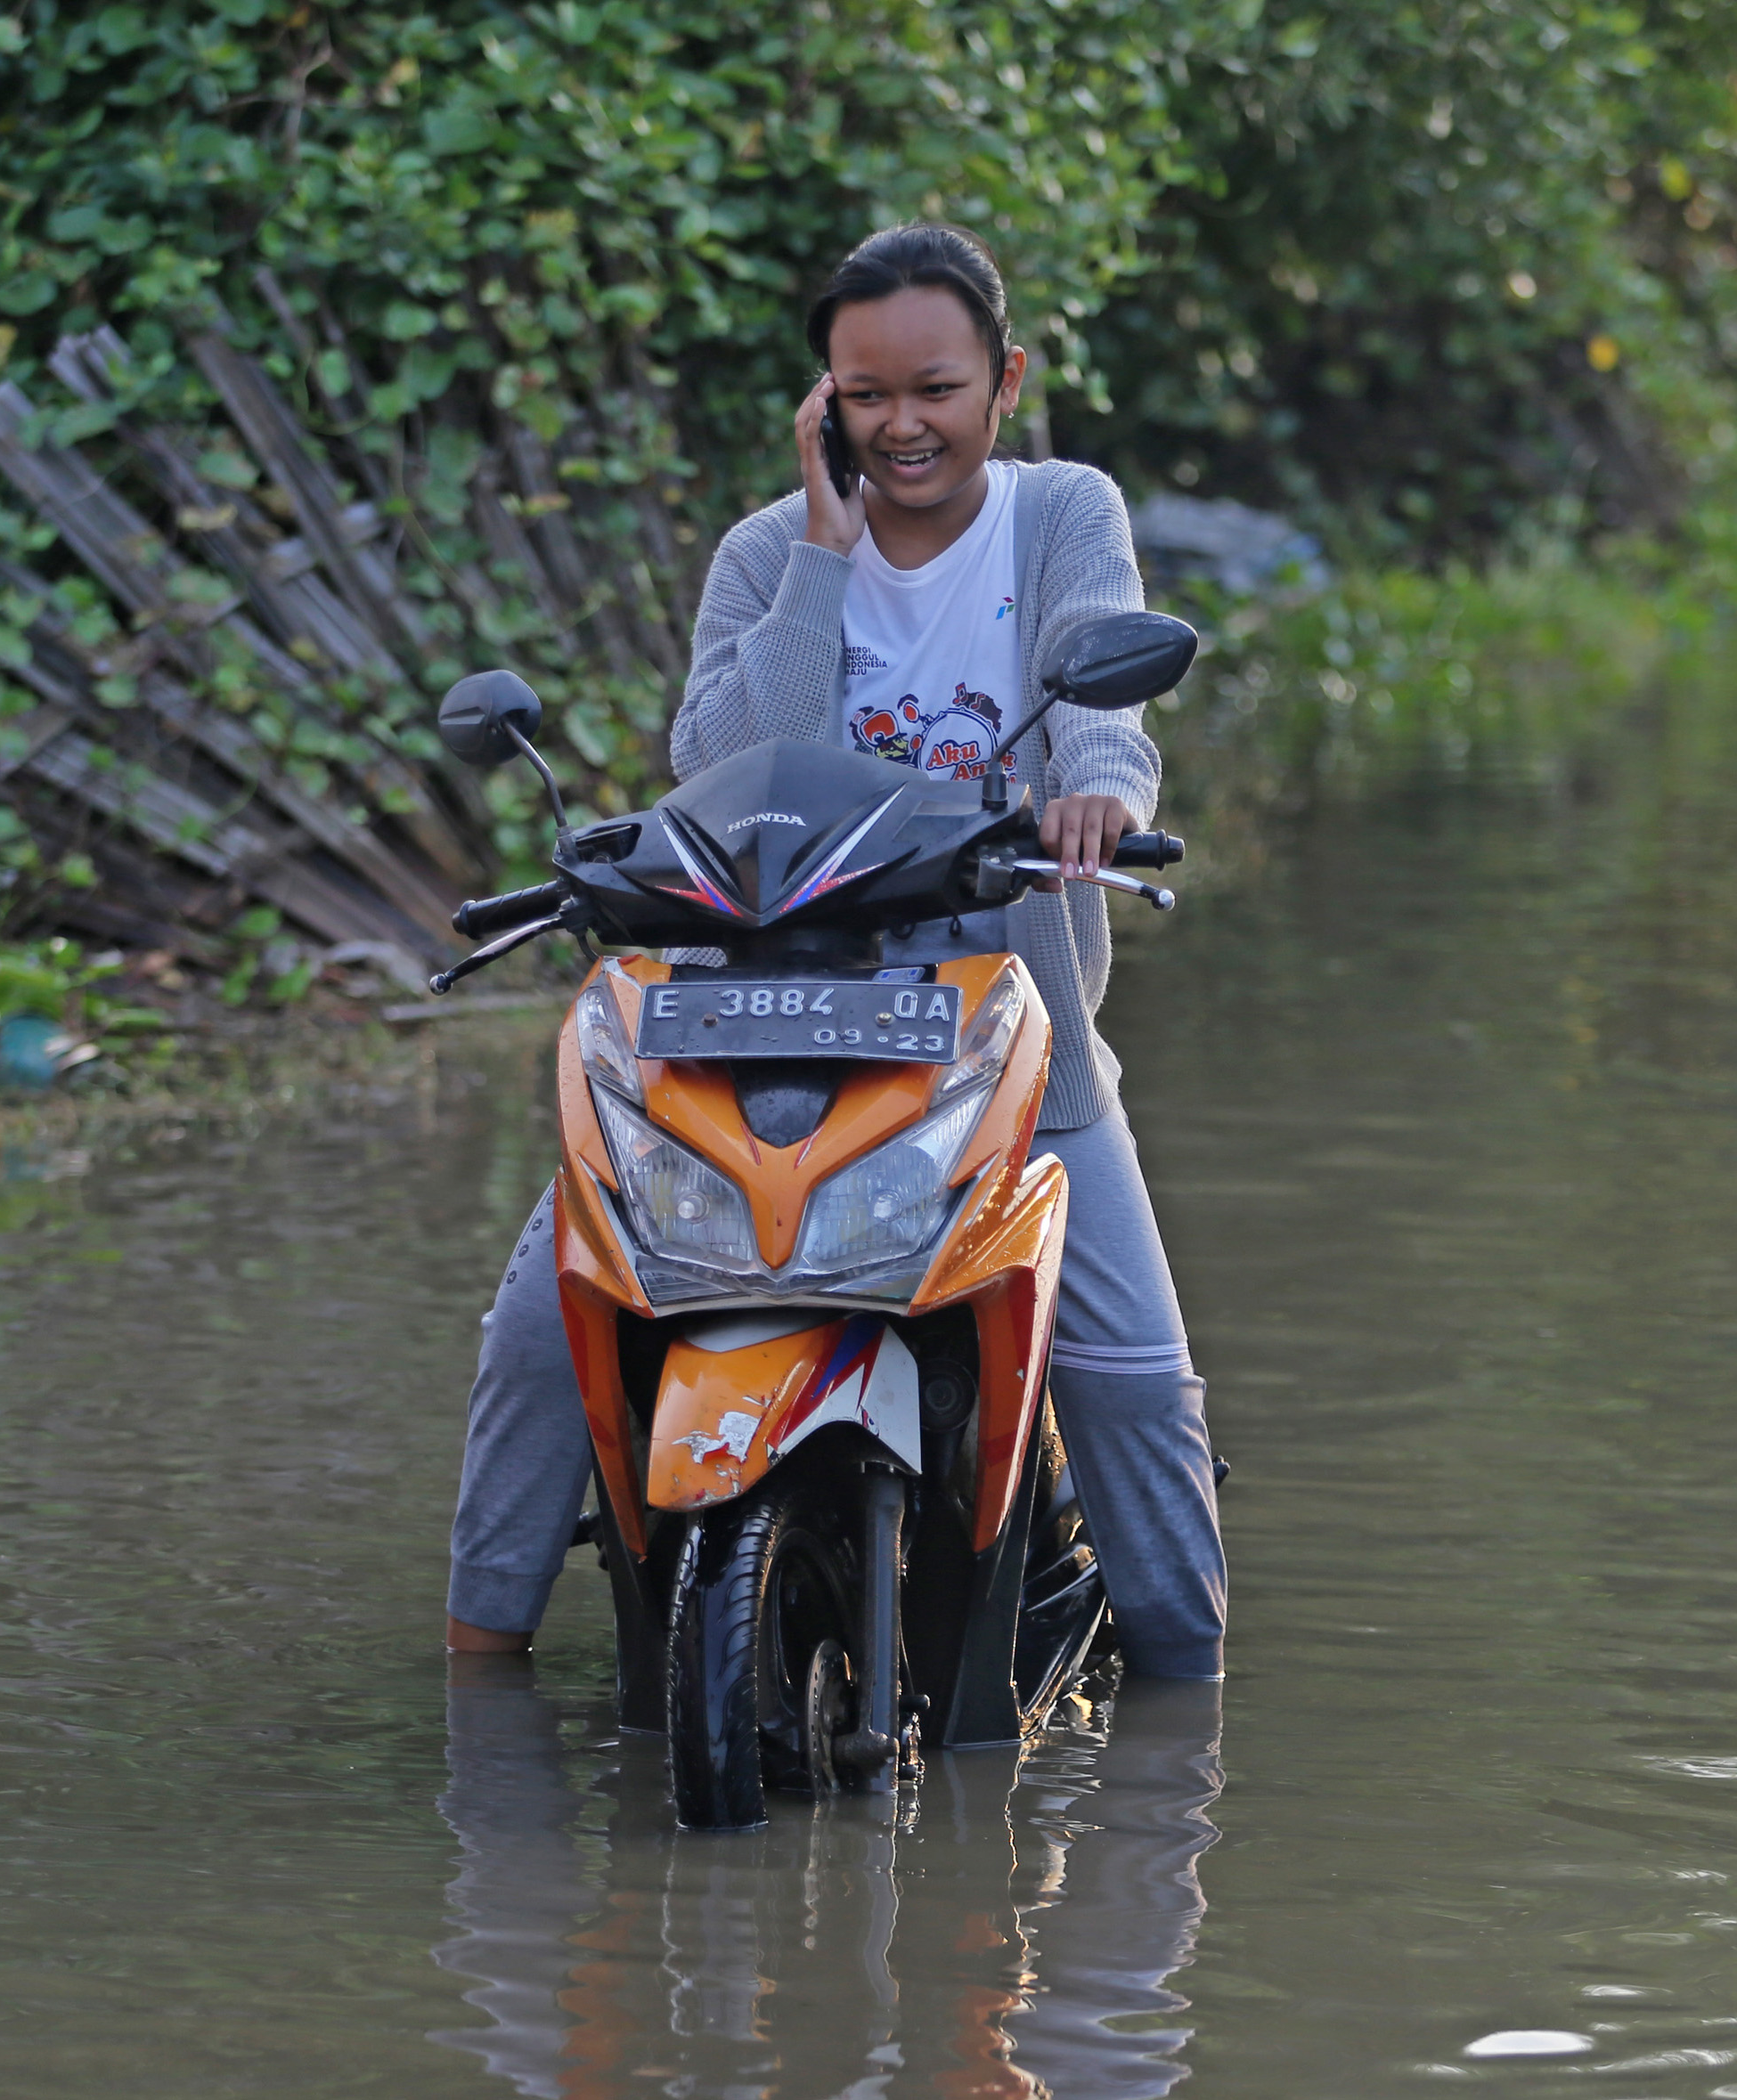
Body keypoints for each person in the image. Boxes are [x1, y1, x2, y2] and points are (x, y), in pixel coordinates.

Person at [442, 223, 1227, 1681]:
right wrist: (822, 552)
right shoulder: (767, 547)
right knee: (547, 1334)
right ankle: (476, 1688)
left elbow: (1102, 674)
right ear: (823, 404)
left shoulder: (1062, 513)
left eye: (933, 388)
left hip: (1006, 1024)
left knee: (1128, 1387)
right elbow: (719, 758)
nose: (902, 425)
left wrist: (1101, 790)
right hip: (755, 1016)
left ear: (1006, 381)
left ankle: (1184, 1735)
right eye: (864, 396)